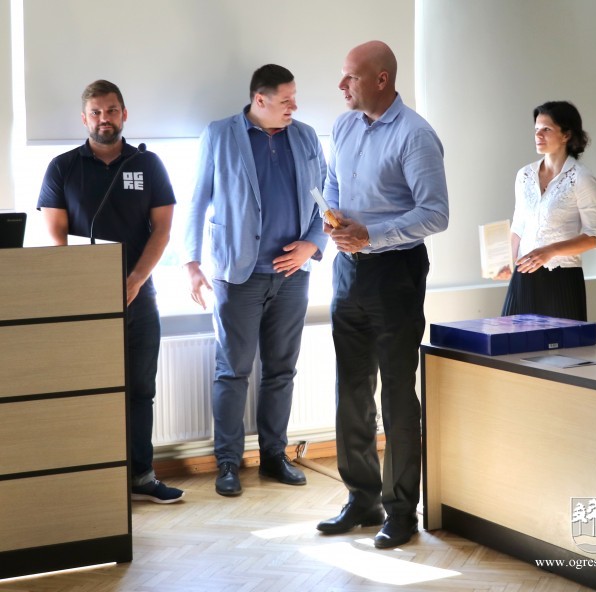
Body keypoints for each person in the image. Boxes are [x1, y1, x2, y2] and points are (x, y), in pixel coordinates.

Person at [315, 41, 449, 549]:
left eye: (350, 76)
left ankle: (401, 511)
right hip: (348, 270)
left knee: (395, 393)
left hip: (395, 274)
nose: (341, 85)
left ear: (381, 80)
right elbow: (332, 183)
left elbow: (435, 213)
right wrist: (333, 217)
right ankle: (362, 499)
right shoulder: (344, 126)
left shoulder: (416, 135)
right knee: (351, 391)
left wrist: (372, 235)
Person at [184, 64, 327, 497]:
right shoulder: (220, 134)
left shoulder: (306, 137)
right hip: (237, 275)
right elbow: (197, 200)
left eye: (294, 98)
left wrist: (313, 244)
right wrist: (191, 261)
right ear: (259, 100)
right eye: (286, 100)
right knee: (233, 371)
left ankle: (274, 457)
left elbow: (326, 199)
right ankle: (227, 463)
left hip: (292, 275)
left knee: (281, 370)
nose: (294, 106)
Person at [37, 79, 183, 504]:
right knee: (90, 392)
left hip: (140, 296)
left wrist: (135, 280)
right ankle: (93, 482)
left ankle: (141, 476)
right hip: (84, 302)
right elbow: (56, 235)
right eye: (97, 112)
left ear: (124, 114)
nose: (105, 119)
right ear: (84, 119)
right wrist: (84, 289)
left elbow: (163, 230)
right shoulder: (62, 167)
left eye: (112, 110)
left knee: (140, 390)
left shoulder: (147, 164)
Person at [500, 100, 596, 321]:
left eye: (546, 129)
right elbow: (519, 225)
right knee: (510, 340)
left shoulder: (582, 178)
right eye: (536, 129)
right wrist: (506, 261)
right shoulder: (524, 175)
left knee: (563, 343)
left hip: (562, 279)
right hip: (523, 276)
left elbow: (593, 237)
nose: (538, 135)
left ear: (566, 135)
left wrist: (550, 251)